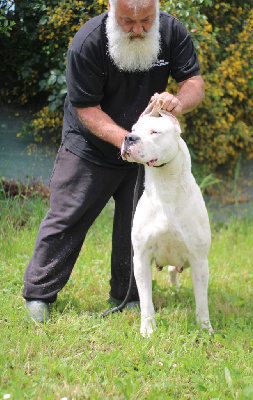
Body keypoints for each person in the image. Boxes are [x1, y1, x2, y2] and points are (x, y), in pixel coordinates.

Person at [23, 0, 205, 322]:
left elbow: (193, 83)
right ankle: (39, 294)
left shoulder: (172, 30)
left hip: (146, 148)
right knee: (68, 214)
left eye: (146, 20)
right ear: (111, 13)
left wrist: (178, 102)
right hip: (90, 145)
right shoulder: (87, 43)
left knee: (133, 225)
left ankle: (128, 297)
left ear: (156, 11)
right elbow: (86, 109)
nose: (138, 29)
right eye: (127, 22)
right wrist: (126, 141)